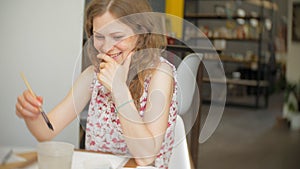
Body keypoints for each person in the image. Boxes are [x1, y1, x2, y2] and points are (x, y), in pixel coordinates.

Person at [15, 0, 178, 168]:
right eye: (99, 36)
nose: (106, 47)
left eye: (117, 36)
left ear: (141, 34)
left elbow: (146, 157)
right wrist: (32, 115)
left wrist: (119, 90)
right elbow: (46, 131)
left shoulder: (160, 74)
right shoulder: (92, 76)